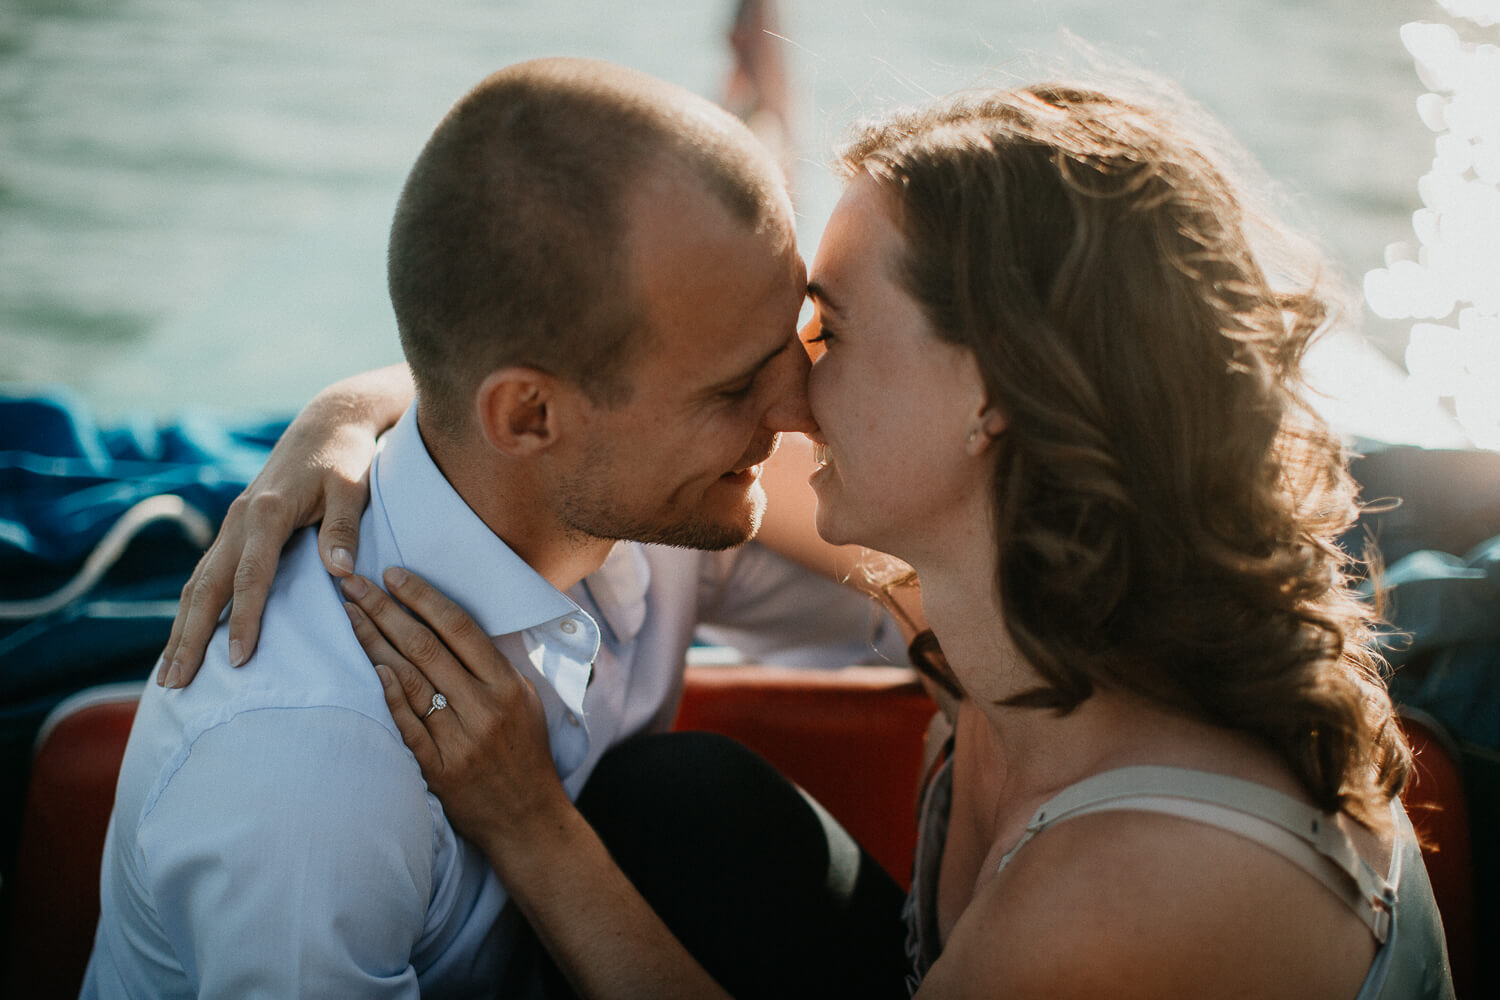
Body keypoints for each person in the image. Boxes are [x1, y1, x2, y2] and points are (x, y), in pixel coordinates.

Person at [212, 80, 1461, 997]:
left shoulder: (1122, 896)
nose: (786, 394)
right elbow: (540, 400)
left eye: (829, 330)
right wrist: (338, 419)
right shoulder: (1025, 589)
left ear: (995, 398)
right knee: (684, 812)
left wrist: (528, 825)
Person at [82, 58, 912, 998]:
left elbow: (930, 607)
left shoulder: (641, 512)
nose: (798, 408)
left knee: (694, 801)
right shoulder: (311, 776)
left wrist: (352, 400)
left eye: (795, 344)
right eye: (733, 388)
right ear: (526, 418)